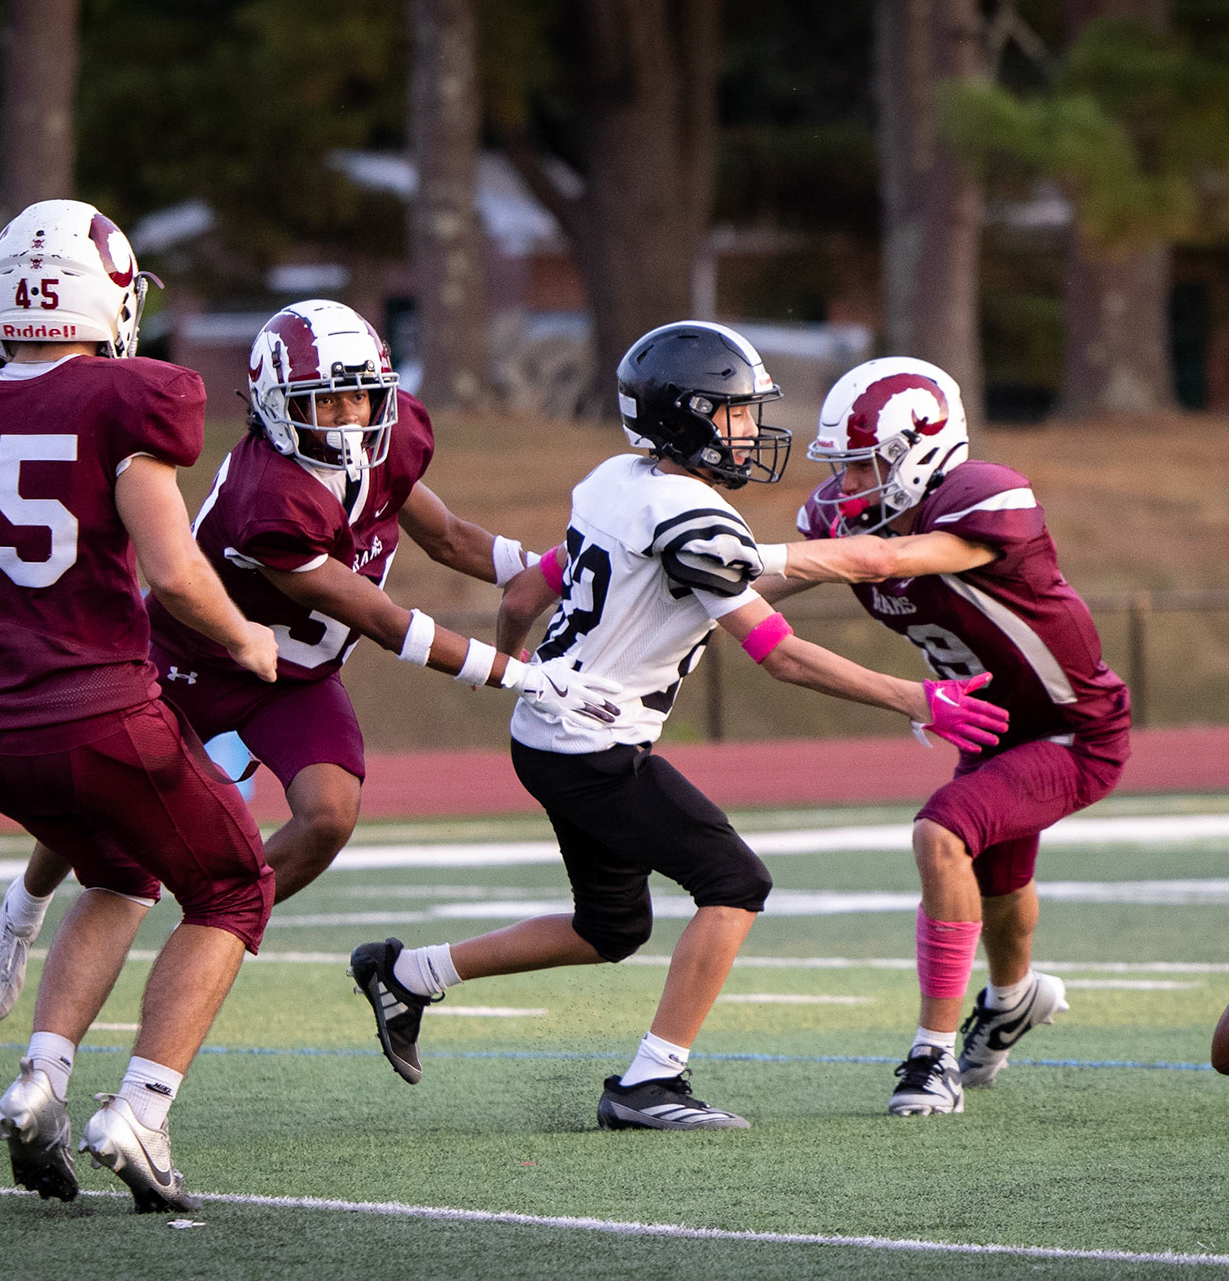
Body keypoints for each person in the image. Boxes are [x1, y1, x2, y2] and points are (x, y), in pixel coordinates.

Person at [345, 322, 1008, 1130]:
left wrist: (519, 674)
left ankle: (407, 973)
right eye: (732, 413)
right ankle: (650, 1082)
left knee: (611, 925)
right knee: (736, 882)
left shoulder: (616, 481)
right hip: (595, 747)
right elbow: (782, 655)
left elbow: (524, 594)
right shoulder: (693, 521)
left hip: (550, 734)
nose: (748, 429)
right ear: (685, 416)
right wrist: (913, 696)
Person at [0, 299, 614, 1024]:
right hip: (191, 658)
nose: (347, 418)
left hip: (292, 675)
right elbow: (387, 622)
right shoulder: (269, 498)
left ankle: (210, 929)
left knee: (329, 814)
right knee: (106, 819)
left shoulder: (388, 443)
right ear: (276, 407)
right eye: (323, 402)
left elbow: (456, 540)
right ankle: (23, 908)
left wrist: (563, 571)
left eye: (357, 396)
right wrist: (521, 675)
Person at [0, 199, 282, 1212]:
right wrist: (244, 640)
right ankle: (138, 1109)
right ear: (111, 297)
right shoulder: (127, 397)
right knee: (234, 887)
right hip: (99, 715)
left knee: (120, 868)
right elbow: (175, 575)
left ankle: (39, 1086)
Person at [756, 357, 1132, 1117]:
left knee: (941, 832)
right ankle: (1015, 997)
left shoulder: (982, 499)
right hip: (987, 729)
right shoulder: (841, 522)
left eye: (863, 467)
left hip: (1073, 729)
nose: (846, 486)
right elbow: (758, 591)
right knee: (998, 886)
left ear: (917, 452)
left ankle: (931, 1058)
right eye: (843, 467)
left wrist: (745, 555)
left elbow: (886, 559)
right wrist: (670, 586)